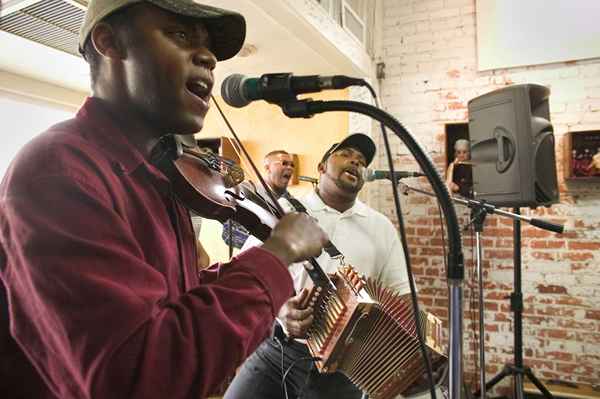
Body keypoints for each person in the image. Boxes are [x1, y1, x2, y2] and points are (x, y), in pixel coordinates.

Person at [0, 2, 329, 398]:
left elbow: (167, 303)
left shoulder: (156, 175)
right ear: (109, 42)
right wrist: (276, 256)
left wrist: (249, 276)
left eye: (208, 47)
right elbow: (141, 377)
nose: (208, 57)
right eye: (179, 35)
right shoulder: (61, 172)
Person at [224, 133, 412, 399]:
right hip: (278, 352)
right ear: (322, 167)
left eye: (361, 161)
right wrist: (279, 310)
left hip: (344, 370)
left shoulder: (381, 227)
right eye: (346, 154)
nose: (355, 162)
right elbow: (246, 274)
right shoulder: (282, 210)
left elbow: (401, 296)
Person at [223, 150, 295, 249]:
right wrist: (266, 243)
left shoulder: (290, 200)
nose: (290, 168)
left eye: (292, 165)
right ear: (267, 168)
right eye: (284, 163)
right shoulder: (246, 191)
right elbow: (228, 233)